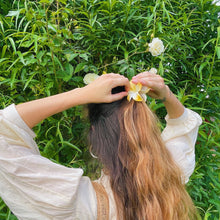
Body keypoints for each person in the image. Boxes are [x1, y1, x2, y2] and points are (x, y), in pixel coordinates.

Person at [0, 72, 202, 220]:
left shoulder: (77, 202)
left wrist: (81, 94)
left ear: (95, 135)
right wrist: (167, 94)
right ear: (147, 131)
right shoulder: (171, 176)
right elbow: (184, 126)